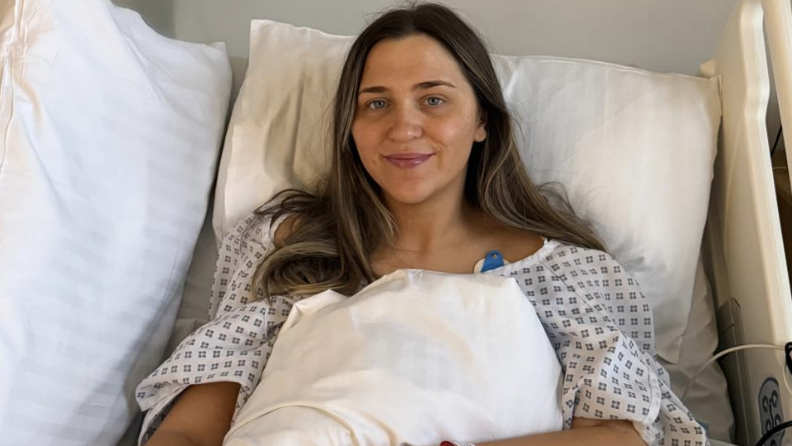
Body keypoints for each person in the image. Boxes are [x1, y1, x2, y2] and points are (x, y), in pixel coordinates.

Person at [135, 3, 707, 446]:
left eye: (433, 100)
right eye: (376, 103)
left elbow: (621, 435)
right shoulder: (286, 246)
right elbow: (192, 430)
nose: (403, 128)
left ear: (481, 120)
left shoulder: (572, 273)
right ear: (351, 128)